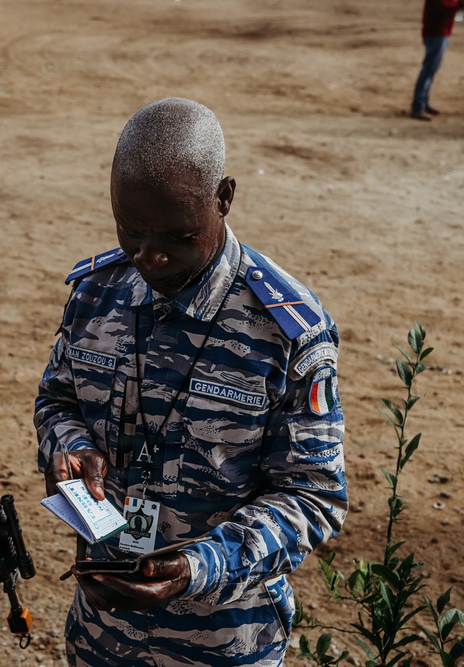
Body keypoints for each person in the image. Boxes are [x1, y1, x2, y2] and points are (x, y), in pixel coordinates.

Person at [34, 98, 347, 667]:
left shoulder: (285, 331)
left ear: (224, 197)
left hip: (224, 643)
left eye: (176, 236)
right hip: (102, 633)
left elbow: (313, 496)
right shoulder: (96, 296)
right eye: (130, 231)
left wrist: (200, 567)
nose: (148, 257)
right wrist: (72, 449)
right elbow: (57, 402)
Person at [411, 0, 464, 121]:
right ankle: (418, 106)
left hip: (438, 31)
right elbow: (443, 7)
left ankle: (423, 103)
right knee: (428, 70)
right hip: (437, 32)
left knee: (431, 70)